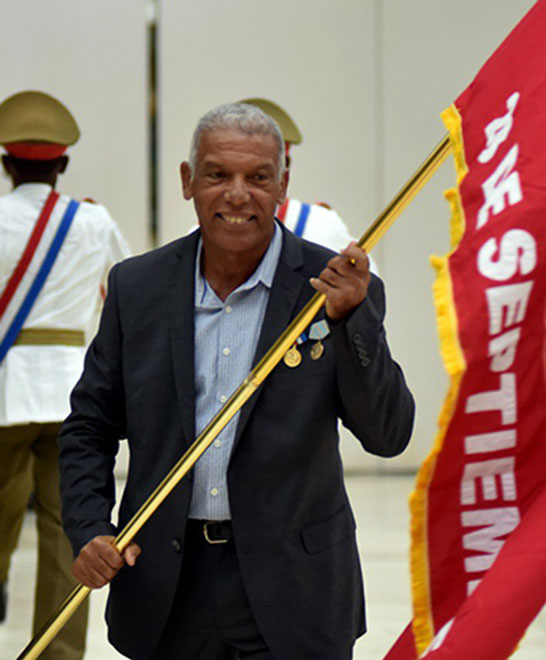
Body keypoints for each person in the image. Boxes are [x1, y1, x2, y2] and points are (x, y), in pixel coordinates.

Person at [58, 103, 415, 658]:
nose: (237, 195)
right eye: (218, 174)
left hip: (296, 591)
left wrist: (349, 324)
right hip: (165, 590)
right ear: (187, 180)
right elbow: (88, 428)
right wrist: (88, 528)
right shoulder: (137, 287)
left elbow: (389, 436)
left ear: (283, 185)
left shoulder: (335, 290)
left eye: (258, 177)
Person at [0, 90, 129, 658]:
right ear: (63, 165)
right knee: (65, 533)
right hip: (73, 397)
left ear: (6, 163)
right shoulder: (94, 221)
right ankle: (56, 652)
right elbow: (125, 286)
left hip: (5, 391)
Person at [239, 97, 374, 272]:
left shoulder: (318, 224)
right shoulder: (204, 232)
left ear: (283, 175)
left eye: (258, 174)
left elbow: (367, 290)